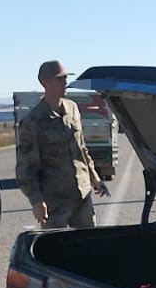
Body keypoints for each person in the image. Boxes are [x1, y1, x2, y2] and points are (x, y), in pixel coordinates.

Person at [15, 59, 103, 228]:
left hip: (82, 195)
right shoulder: (33, 121)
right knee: (57, 244)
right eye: (60, 79)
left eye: (65, 78)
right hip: (55, 201)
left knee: (88, 242)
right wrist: (36, 201)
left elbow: (81, 148)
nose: (65, 82)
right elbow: (26, 167)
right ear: (45, 82)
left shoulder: (72, 108)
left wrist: (94, 177)